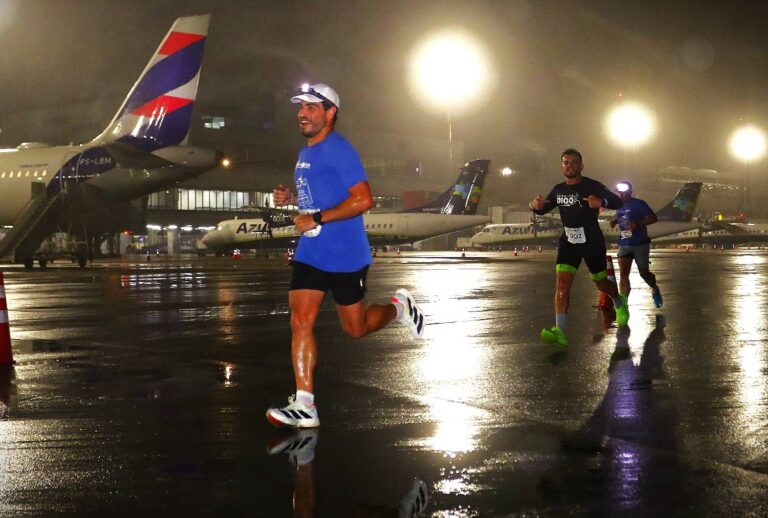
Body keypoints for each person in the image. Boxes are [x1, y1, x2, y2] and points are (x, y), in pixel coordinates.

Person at [266, 83, 425, 429]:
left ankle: (400, 308)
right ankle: (305, 403)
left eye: (311, 106)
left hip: (345, 255)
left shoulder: (340, 149)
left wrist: (317, 218)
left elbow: (363, 199)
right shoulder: (305, 152)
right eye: (301, 107)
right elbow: (319, 198)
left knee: (357, 328)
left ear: (330, 112)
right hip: (311, 252)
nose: (302, 113)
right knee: (299, 321)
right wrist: (292, 200)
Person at [529, 148, 628, 348]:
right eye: (566, 162)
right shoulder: (558, 190)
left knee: (601, 284)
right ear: (561, 167)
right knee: (562, 286)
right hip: (569, 242)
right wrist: (535, 205)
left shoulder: (592, 186)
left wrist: (602, 201)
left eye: (574, 162)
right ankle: (559, 331)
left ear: (581, 166)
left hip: (592, 242)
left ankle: (618, 301)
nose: (570, 165)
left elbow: (617, 201)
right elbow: (543, 209)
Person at [610, 180, 663, 308]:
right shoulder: (618, 206)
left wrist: (638, 224)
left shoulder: (639, 204)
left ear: (630, 192)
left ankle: (655, 288)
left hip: (640, 243)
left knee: (644, 274)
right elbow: (623, 217)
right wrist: (615, 221)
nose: (621, 195)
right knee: (623, 275)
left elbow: (653, 218)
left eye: (624, 192)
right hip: (624, 243)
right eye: (619, 192)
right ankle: (624, 305)